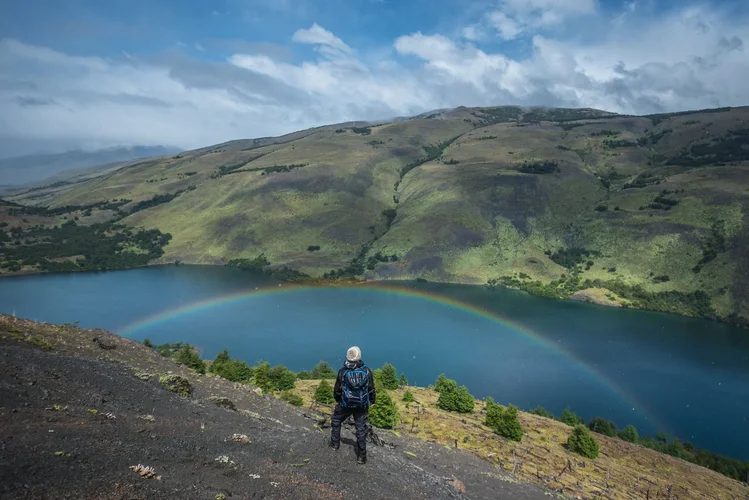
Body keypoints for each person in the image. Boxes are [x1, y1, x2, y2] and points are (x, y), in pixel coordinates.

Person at [329, 346, 376, 464]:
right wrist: (372, 400)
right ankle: (362, 456)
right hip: (362, 405)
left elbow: (337, 390)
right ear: (359, 356)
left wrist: (338, 400)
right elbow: (371, 388)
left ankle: (335, 444)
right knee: (361, 428)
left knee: (336, 420)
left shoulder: (343, 372)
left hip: (346, 404)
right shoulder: (366, 371)